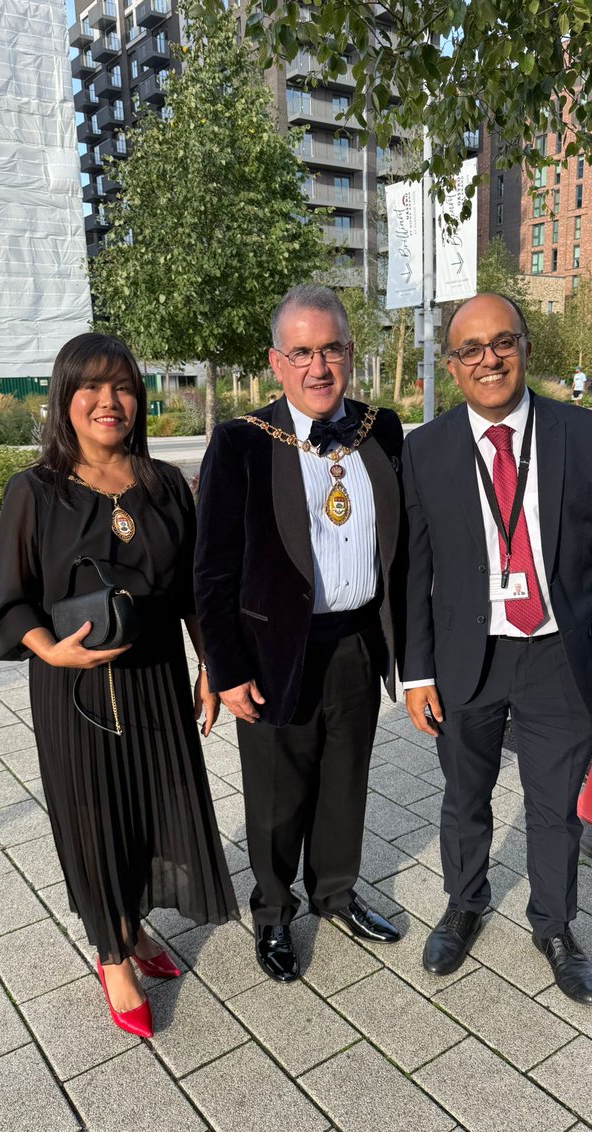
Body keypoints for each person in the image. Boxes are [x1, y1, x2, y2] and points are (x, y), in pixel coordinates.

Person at [402, 293, 592, 1006]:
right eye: (470, 349)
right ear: (452, 365)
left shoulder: (590, 437)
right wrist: (416, 671)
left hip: (556, 656)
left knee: (553, 808)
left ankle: (556, 927)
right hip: (465, 661)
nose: (489, 359)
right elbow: (413, 572)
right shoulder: (425, 450)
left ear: (525, 347)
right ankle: (463, 903)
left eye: (502, 341)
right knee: (464, 798)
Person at [0, 332, 237, 1038]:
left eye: (122, 386)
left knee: (155, 806)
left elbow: (195, 587)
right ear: (64, 399)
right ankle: (111, 951)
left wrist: (210, 663)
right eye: (91, 387)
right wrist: (50, 652)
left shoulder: (163, 486)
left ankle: (132, 926)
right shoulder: (34, 493)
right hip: (77, 692)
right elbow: (11, 599)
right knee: (95, 816)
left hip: (157, 679)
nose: (109, 401)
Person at [195, 285, 404, 983]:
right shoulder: (240, 443)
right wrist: (223, 669)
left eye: (332, 349)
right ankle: (275, 912)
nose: (320, 367)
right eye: (302, 353)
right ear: (276, 363)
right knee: (279, 794)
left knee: (346, 781)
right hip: (273, 654)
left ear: (351, 353)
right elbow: (212, 573)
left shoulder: (383, 429)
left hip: (357, 642)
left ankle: (337, 894)